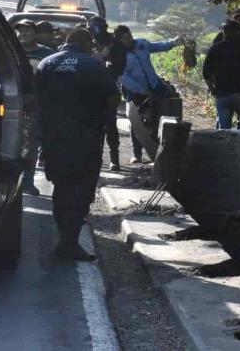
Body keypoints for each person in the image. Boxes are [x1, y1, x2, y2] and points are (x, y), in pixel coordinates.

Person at [35, 29, 119, 261]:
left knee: (61, 189)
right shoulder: (93, 66)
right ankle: (69, 243)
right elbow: (114, 99)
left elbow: (34, 100)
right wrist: (102, 120)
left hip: (54, 140)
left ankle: (65, 240)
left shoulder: (47, 63)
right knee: (81, 191)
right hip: (85, 140)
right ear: (86, 44)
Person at [115, 25, 182, 164]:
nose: (130, 39)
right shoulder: (118, 55)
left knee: (171, 106)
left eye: (130, 36)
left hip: (155, 84)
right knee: (136, 122)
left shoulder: (142, 44)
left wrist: (175, 42)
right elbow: (124, 78)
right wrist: (141, 90)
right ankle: (136, 154)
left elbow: (159, 46)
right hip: (136, 91)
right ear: (119, 40)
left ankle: (170, 147)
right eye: (126, 38)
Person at [13, 19, 56, 196]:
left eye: (28, 31)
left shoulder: (47, 54)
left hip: (37, 105)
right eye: (20, 31)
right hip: (11, 104)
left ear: (36, 33)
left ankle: (28, 182)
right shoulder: (11, 51)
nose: (23, 34)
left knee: (31, 146)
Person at [203, 19, 240, 130]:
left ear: (223, 33)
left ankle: (225, 147)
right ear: (237, 32)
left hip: (221, 95)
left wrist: (212, 89)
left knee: (224, 130)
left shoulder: (214, 49)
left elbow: (206, 73)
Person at [88, 16, 127, 171]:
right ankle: (93, 157)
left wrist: (108, 62)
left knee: (110, 125)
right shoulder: (86, 42)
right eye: (93, 27)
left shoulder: (115, 43)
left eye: (99, 27)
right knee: (91, 125)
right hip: (89, 90)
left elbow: (121, 67)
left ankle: (114, 158)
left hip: (109, 88)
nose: (97, 31)